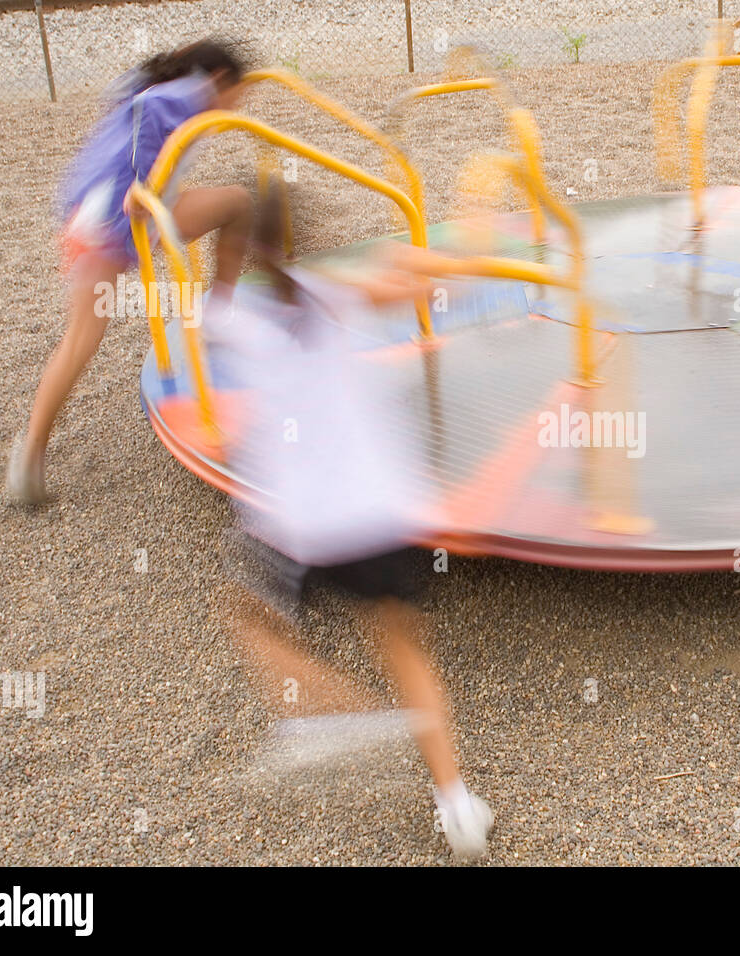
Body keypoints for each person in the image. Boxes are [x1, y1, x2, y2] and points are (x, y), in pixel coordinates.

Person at [221, 187, 495, 860]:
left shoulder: (231, 317)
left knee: (246, 617)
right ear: (297, 238)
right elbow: (410, 287)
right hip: (377, 509)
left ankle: (334, 713)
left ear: (233, 252)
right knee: (404, 648)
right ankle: (457, 806)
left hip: (302, 523)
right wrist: (455, 260)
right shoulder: (324, 291)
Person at [8, 39, 254, 506]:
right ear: (221, 79)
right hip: (112, 220)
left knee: (237, 205)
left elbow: (129, 116)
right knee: (81, 339)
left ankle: (215, 316)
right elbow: (147, 112)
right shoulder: (188, 93)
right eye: (237, 95)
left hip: (113, 213)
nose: (234, 108)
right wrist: (141, 185)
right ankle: (30, 454)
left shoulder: (167, 89)